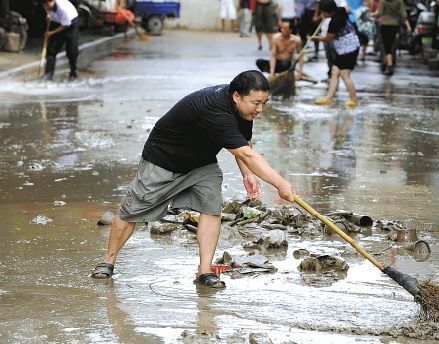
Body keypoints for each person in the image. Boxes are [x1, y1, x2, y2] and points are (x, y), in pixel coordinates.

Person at [91, 71, 295, 288]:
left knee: (211, 208)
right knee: (131, 211)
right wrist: (280, 183)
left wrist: (248, 174)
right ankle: (108, 261)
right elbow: (246, 154)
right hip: (163, 161)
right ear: (236, 96)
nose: (260, 109)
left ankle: (204, 270)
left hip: (201, 164)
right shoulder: (216, 110)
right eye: (256, 103)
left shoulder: (244, 111)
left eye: (264, 103)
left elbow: (243, 143)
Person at [311, 0, 360, 107]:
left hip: (349, 49)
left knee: (344, 75)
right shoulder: (341, 10)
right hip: (346, 47)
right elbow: (347, 9)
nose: (322, 15)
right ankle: (329, 98)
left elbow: (328, 38)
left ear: (330, 12)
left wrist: (316, 38)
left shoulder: (334, 22)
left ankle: (354, 99)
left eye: (323, 12)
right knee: (335, 71)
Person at [40, 0, 79, 81]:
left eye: (47, 5)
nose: (46, 7)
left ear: (52, 1)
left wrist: (51, 33)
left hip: (70, 24)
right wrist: (49, 15)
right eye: (44, 6)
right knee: (51, 50)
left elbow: (66, 25)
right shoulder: (47, 5)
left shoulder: (62, 8)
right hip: (57, 22)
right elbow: (49, 12)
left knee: (72, 51)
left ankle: (73, 73)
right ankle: (48, 75)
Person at [374, 0, 410, 76]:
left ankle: (389, 65)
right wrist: (408, 26)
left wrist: (373, 15)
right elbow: (403, 14)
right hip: (395, 25)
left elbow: (379, 13)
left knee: (386, 45)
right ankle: (385, 63)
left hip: (385, 24)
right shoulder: (399, 1)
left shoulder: (383, 1)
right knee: (391, 44)